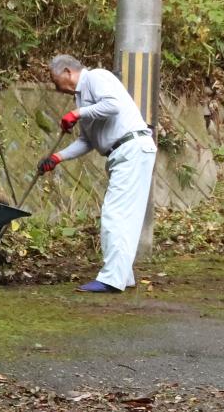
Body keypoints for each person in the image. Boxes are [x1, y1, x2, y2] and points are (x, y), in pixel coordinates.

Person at [37, 53, 155, 293]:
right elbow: (86, 141)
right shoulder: (82, 100)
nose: (55, 87)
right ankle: (123, 275)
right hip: (121, 154)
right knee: (123, 217)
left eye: (54, 79)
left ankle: (112, 279)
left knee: (115, 215)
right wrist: (57, 157)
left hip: (131, 148)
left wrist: (78, 114)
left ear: (68, 71)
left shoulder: (97, 78)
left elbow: (113, 105)